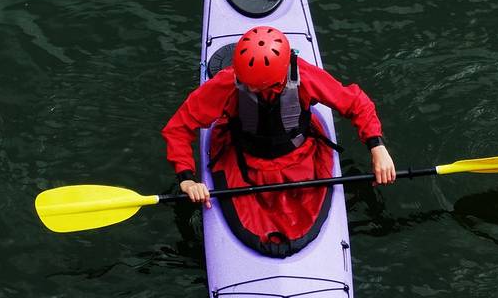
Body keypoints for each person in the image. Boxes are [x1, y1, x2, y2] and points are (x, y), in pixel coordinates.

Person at [161, 26, 395, 251]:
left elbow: (356, 102)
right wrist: (187, 177)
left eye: (250, 86)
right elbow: (178, 128)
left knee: (298, 217)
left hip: (300, 157)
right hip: (244, 161)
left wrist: (377, 146)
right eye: (240, 80)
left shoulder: (304, 76)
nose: (241, 86)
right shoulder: (227, 82)